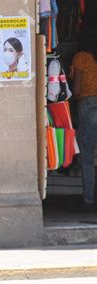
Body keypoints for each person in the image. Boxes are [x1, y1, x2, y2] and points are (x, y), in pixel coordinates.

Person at [71, 28, 97, 211]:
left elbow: (78, 89)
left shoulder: (81, 57)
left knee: (87, 156)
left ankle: (88, 199)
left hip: (89, 105)